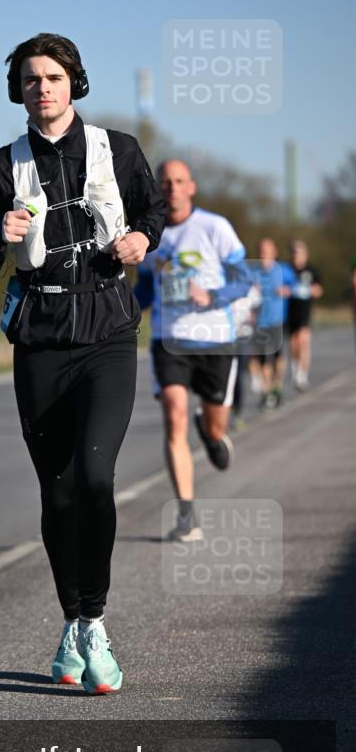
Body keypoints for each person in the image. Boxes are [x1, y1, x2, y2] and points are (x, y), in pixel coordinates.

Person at [0, 33, 166, 694]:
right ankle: (72, 621)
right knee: (56, 491)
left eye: (51, 77)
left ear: (73, 83)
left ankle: (94, 621)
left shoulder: (119, 150)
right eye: (29, 79)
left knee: (94, 477)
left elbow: (153, 209)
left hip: (106, 331)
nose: (41, 88)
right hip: (40, 340)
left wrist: (141, 238)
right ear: (17, 90)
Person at [134, 159, 251, 542]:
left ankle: (213, 434)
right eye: (164, 182)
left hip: (217, 340)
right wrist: (121, 312)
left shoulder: (214, 228)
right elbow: (146, 291)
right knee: (174, 413)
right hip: (170, 340)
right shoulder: (150, 233)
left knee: (214, 424)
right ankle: (186, 514)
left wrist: (212, 295)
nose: (171, 188)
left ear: (191, 187)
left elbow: (243, 279)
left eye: (178, 181)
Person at [248, 237, 286, 408]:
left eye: (267, 251)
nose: (264, 254)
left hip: (277, 320)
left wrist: (287, 290)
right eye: (261, 251)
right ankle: (267, 391)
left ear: (274, 252)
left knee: (278, 358)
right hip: (260, 322)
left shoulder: (282, 270)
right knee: (263, 359)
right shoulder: (253, 272)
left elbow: (299, 286)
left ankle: (277, 386)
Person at [280, 239, 323, 390]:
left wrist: (309, 290)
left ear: (305, 254)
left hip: (305, 311)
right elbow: (278, 287)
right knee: (293, 343)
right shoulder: (285, 269)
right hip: (289, 311)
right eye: (294, 252)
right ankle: (295, 366)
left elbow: (319, 290)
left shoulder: (310, 270)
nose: (296, 255)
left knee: (303, 340)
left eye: (299, 252)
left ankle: (302, 374)